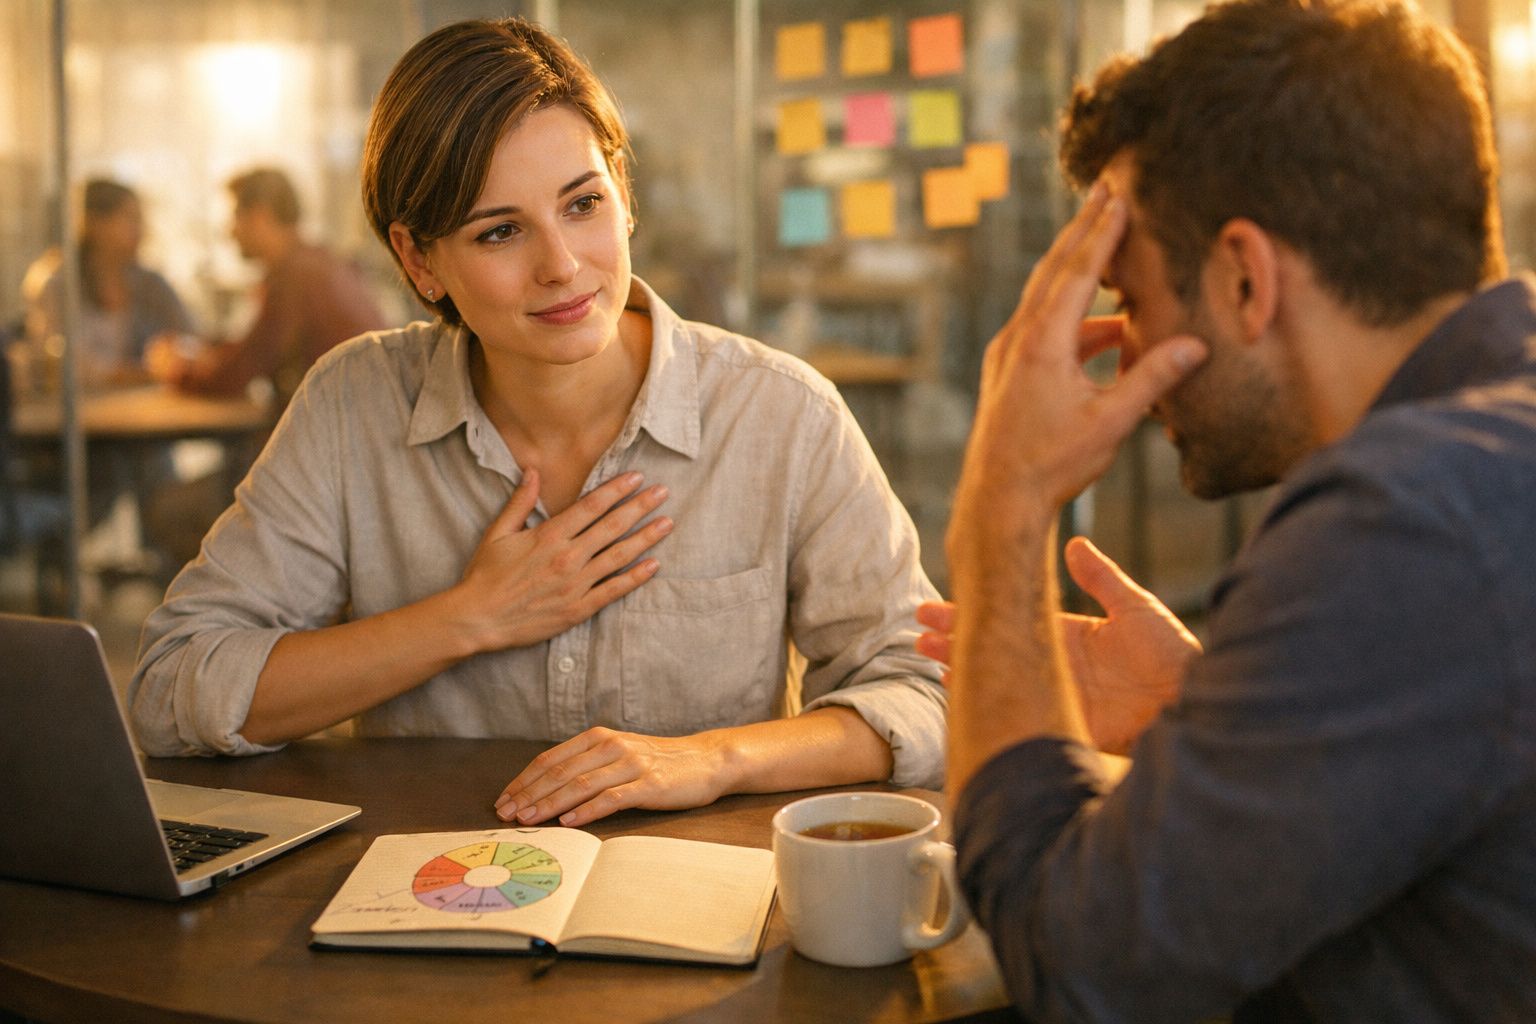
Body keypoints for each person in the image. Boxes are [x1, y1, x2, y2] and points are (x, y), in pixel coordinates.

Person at [130, 17, 945, 828]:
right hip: (422, 905)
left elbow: (923, 692)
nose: (561, 265)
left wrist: (711, 757)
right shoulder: (355, 405)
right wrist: (467, 618)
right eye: (501, 231)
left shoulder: (781, 416)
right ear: (419, 261)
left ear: (623, 195)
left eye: (583, 204)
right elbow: (174, 686)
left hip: (697, 903)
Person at [918, 0, 1536, 1018]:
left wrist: (1003, 508)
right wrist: (1217, 708)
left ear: (1245, 278)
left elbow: (1080, 966)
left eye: (1133, 296)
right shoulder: (1483, 469)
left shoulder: (1407, 518)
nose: (1122, 350)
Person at [146, 168, 388, 407]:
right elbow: (251, 348)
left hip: (350, 429)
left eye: (233, 217)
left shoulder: (295, 275)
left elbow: (236, 375)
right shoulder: (317, 261)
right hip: (357, 422)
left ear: (260, 217)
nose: (229, 232)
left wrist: (175, 368)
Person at [21, 178, 194, 390]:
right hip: (81, 411)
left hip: (148, 409)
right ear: (94, 223)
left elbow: (191, 341)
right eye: (131, 219)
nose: (141, 231)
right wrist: (136, 374)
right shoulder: (56, 283)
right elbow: (58, 361)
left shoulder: (152, 285)